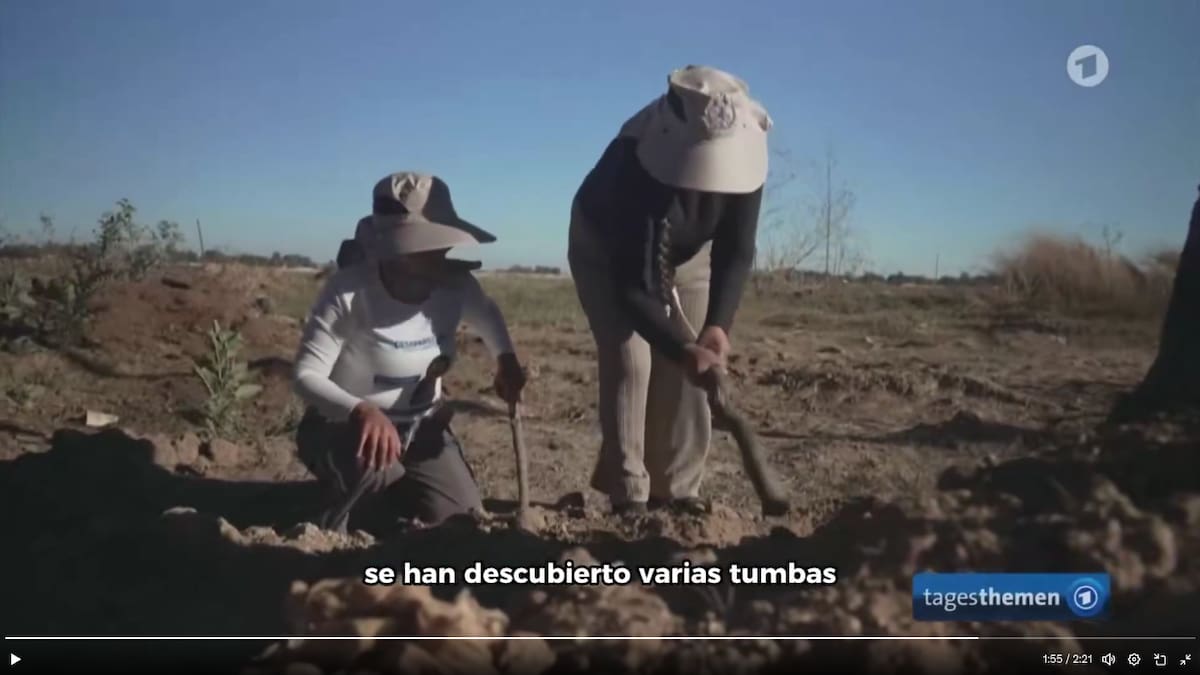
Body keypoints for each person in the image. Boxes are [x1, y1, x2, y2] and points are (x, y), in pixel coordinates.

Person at [568, 65, 772, 516]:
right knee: (632, 357)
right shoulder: (633, 159)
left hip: (690, 253)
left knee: (698, 362)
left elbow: (737, 249)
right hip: (608, 248)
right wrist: (680, 346)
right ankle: (629, 492)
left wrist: (716, 327)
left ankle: (676, 487)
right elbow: (634, 286)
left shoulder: (748, 142)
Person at [293, 171, 527, 533]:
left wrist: (505, 359)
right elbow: (306, 375)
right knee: (375, 469)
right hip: (341, 427)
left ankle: (387, 497)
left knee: (458, 516)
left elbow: (487, 313)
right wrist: (362, 410)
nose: (437, 252)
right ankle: (326, 527)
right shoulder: (350, 292)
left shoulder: (456, 285)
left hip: (421, 429)